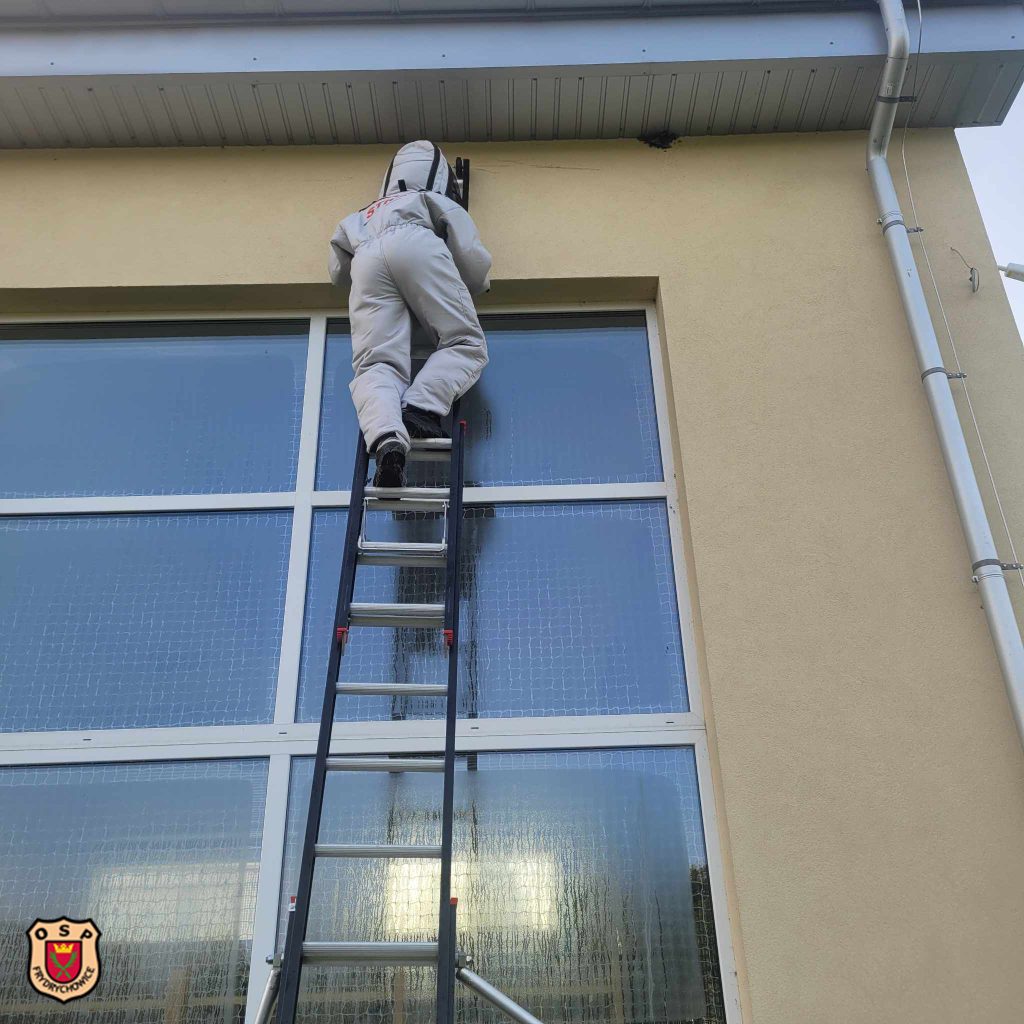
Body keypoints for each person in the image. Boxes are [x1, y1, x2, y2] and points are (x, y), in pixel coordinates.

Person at [328, 140, 492, 487]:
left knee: (376, 364)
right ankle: (420, 407)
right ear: (438, 177)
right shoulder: (430, 198)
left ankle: (386, 435)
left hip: (366, 261)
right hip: (417, 244)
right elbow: (470, 258)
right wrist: (476, 284)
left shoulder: (361, 215)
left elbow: (338, 271)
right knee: (466, 343)